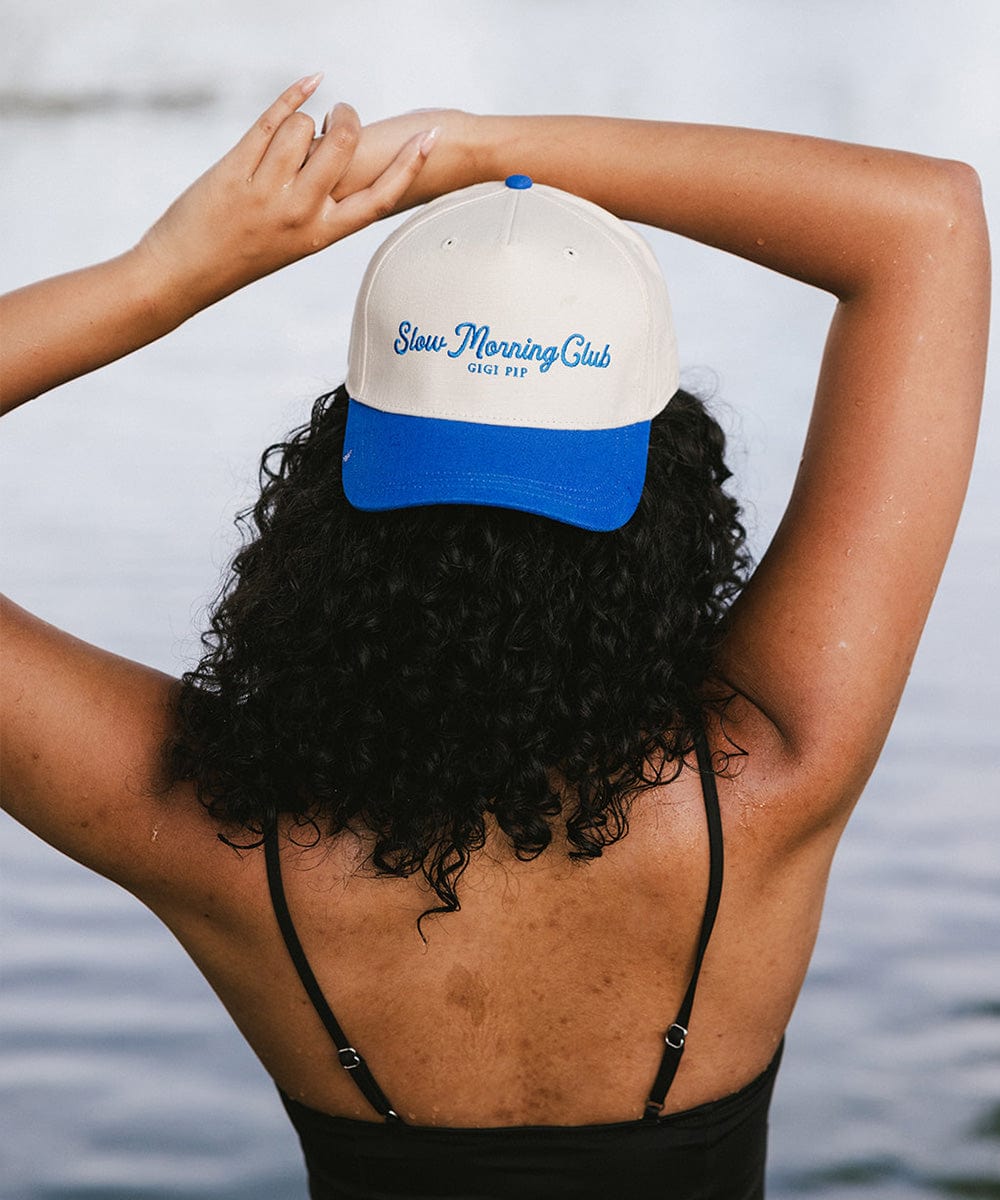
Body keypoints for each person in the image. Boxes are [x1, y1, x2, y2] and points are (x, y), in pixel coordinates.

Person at [0, 74, 989, 1200]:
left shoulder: (213, 828)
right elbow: (928, 227)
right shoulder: (772, 768)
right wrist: (467, 149)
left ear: (343, 475)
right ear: (662, 482)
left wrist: (166, 275)